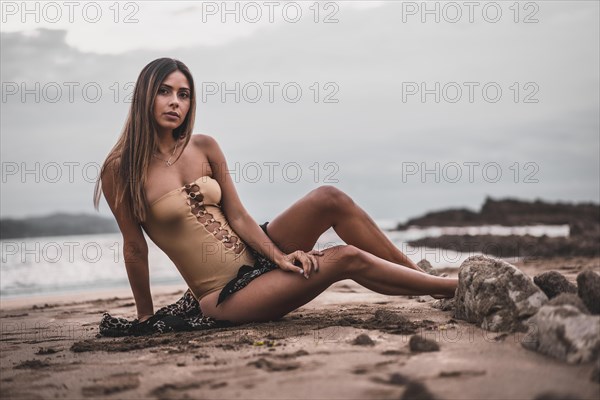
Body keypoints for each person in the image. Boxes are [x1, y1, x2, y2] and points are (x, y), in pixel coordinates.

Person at [93, 58, 458, 326]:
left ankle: (424, 282)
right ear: (145, 96)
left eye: (184, 94)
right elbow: (134, 247)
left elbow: (236, 215)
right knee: (343, 257)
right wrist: (144, 315)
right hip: (226, 296)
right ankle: (449, 288)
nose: (175, 101)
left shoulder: (204, 146)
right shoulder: (120, 170)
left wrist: (279, 257)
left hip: (258, 253)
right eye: (165, 91)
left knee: (327, 198)